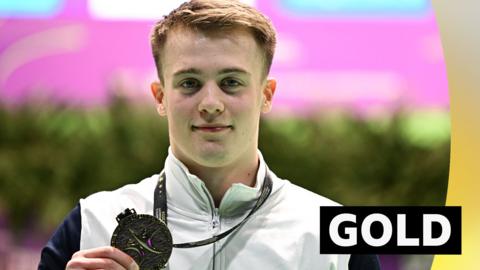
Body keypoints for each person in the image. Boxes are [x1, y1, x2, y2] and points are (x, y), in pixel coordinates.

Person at [39, 0, 381, 269]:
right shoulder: (90, 224)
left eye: (231, 82)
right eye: (190, 83)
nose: (211, 103)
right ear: (161, 97)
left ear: (266, 94)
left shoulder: (334, 238)